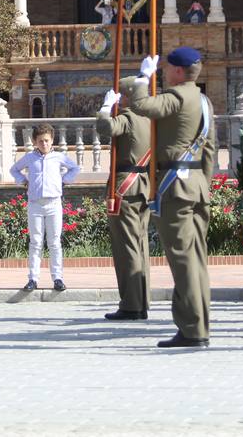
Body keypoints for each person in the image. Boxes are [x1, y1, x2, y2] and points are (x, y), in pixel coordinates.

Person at [129, 46, 214, 349]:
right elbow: (210, 151)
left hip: (175, 186)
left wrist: (142, 76)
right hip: (197, 185)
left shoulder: (178, 96)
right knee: (196, 258)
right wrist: (203, 182)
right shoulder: (204, 101)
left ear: (179, 71)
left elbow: (141, 105)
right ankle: (199, 322)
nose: (163, 72)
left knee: (182, 260)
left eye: (166, 68)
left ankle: (193, 328)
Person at [96, 76, 153, 320]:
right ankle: (141, 299)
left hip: (125, 187)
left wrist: (105, 109)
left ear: (127, 97)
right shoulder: (151, 119)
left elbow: (105, 128)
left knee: (126, 247)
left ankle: (131, 304)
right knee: (140, 245)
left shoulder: (129, 118)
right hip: (142, 186)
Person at [10, 123, 80, 291]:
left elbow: (74, 168)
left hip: (54, 203)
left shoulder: (59, 157)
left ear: (52, 140)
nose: (44, 144)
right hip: (35, 204)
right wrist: (24, 181)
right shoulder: (30, 157)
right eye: (41, 141)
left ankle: (58, 278)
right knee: (35, 242)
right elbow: (14, 170)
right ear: (35, 141)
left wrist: (63, 181)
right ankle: (33, 279)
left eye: (47, 141)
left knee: (54, 242)